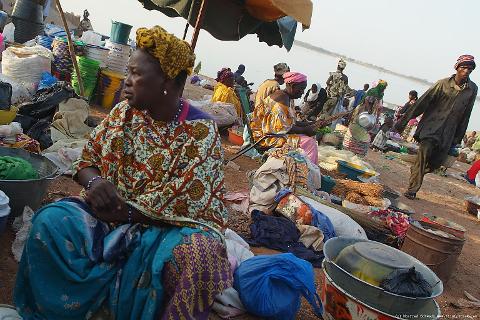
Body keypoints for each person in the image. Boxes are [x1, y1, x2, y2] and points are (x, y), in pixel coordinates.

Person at [14, 26, 232, 320]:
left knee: (198, 257)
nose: (126, 82)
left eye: (135, 74)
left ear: (166, 81)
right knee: (50, 221)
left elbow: (188, 201)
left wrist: (126, 214)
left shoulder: (200, 132)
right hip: (106, 213)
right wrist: (96, 181)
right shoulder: (123, 114)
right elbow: (87, 160)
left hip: (168, 225)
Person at [395, 55, 478, 200]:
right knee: (424, 155)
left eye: (470, 69)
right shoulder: (442, 84)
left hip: (448, 132)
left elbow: (467, 114)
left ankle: (417, 170)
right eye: (464, 68)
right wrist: (402, 122)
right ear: (457, 68)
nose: (466, 71)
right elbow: (422, 102)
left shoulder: (472, 89)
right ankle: (412, 189)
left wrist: (458, 137)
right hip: (431, 127)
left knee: (437, 163)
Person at [250, 72, 319, 163]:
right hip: (264, 137)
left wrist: (312, 124)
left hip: (270, 132)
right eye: (301, 89)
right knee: (310, 143)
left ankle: (306, 167)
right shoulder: (281, 99)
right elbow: (280, 128)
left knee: (308, 138)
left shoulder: (286, 97)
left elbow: (291, 122)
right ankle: (308, 170)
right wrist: (304, 130)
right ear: (292, 86)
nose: (302, 92)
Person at [343, 80, 388, 156]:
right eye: (384, 87)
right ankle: (350, 144)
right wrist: (369, 110)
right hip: (363, 110)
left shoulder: (380, 94)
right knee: (357, 126)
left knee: (363, 129)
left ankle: (356, 147)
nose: (384, 88)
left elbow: (378, 105)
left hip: (370, 112)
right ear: (381, 86)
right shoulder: (374, 91)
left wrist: (376, 116)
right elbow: (367, 100)